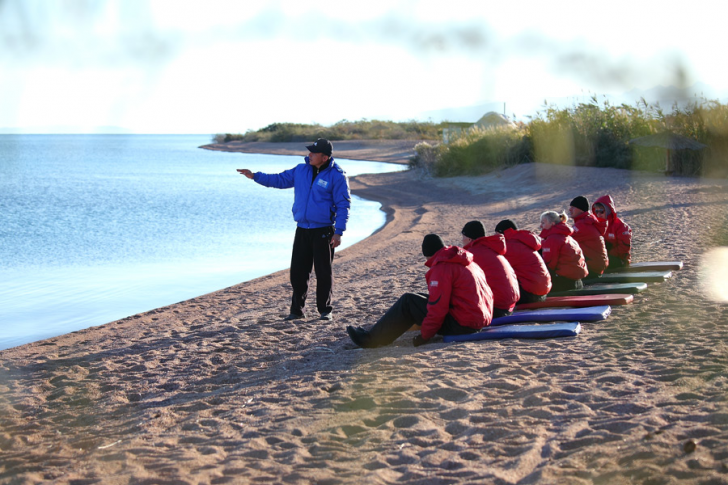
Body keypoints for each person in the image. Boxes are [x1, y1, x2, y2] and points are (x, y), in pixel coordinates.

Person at [237, 138, 350, 321]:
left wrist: (339, 232)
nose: (309, 155)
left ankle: (325, 310)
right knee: (298, 273)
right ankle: (297, 311)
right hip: (302, 229)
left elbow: (344, 205)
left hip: (323, 231)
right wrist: (255, 176)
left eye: (313, 153)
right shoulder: (301, 170)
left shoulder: (337, 175)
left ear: (325, 157)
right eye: (309, 152)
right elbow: (279, 180)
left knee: (323, 273)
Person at [346, 234, 493, 348]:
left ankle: (370, 340)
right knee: (419, 299)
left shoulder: (442, 267)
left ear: (429, 255)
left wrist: (424, 336)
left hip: (463, 325)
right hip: (478, 319)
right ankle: (376, 333)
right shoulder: (466, 262)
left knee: (408, 301)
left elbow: (438, 308)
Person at [461, 221, 519, 317]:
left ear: (469, 238)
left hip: (496, 306)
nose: (462, 240)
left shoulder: (472, 254)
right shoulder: (492, 248)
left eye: (463, 236)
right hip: (511, 304)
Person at [494, 219, 552, 304]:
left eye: (496, 234)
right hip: (542, 291)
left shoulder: (510, 246)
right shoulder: (523, 241)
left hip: (530, 294)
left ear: (501, 233)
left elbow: (498, 270)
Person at [539, 211, 588, 292]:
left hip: (565, 281)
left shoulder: (553, 238)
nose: (541, 226)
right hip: (577, 280)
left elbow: (549, 263)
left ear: (552, 223)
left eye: (543, 223)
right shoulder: (566, 235)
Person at [568, 196, 609, 278]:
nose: (570, 210)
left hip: (592, 267)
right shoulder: (586, 221)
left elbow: (565, 239)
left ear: (580, 209)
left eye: (573, 207)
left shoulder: (583, 224)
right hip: (596, 264)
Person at [592, 195, 632, 268]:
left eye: (601, 211)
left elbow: (624, 247)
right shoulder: (596, 225)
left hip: (619, 259)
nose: (598, 214)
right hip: (602, 258)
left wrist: (607, 253)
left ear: (608, 211)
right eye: (596, 211)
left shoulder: (621, 226)